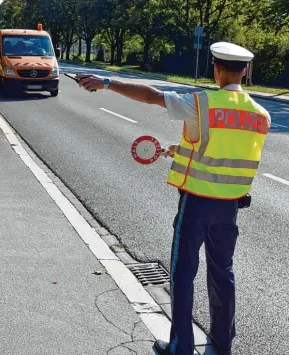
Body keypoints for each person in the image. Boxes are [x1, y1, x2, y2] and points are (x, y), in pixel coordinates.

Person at [75, 42, 271, 355]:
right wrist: (180, 150)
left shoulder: (203, 102)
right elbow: (227, 151)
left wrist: (107, 82)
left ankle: (181, 346)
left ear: (216, 69)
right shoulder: (260, 116)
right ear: (245, 71)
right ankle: (221, 346)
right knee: (223, 274)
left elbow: (152, 95)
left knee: (183, 274)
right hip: (230, 208)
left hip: (196, 204)